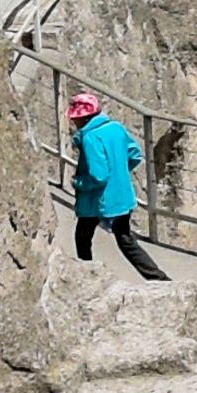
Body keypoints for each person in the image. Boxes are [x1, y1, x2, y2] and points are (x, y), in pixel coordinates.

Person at [68, 92, 162, 281]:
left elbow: (98, 175)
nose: (74, 122)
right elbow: (135, 154)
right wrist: (119, 172)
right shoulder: (116, 128)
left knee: (82, 237)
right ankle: (158, 278)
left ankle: (87, 277)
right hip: (122, 196)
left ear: (84, 118)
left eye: (75, 119)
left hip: (98, 201)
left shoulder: (90, 137)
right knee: (126, 240)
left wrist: (79, 182)